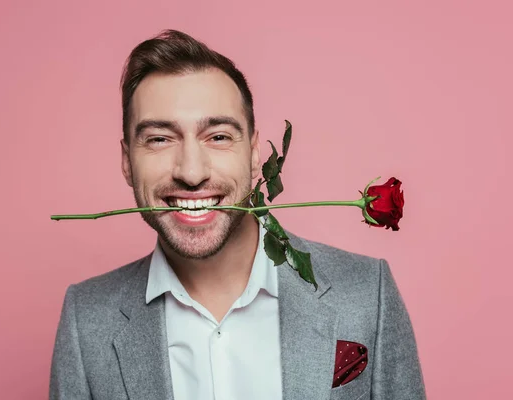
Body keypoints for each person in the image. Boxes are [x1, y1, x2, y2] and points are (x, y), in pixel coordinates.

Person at [49, 29, 426, 400]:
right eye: (160, 139)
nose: (192, 173)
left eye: (218, 136)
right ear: (126, 161)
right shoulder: (87, 321)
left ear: (254, 154)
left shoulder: (366, 294)